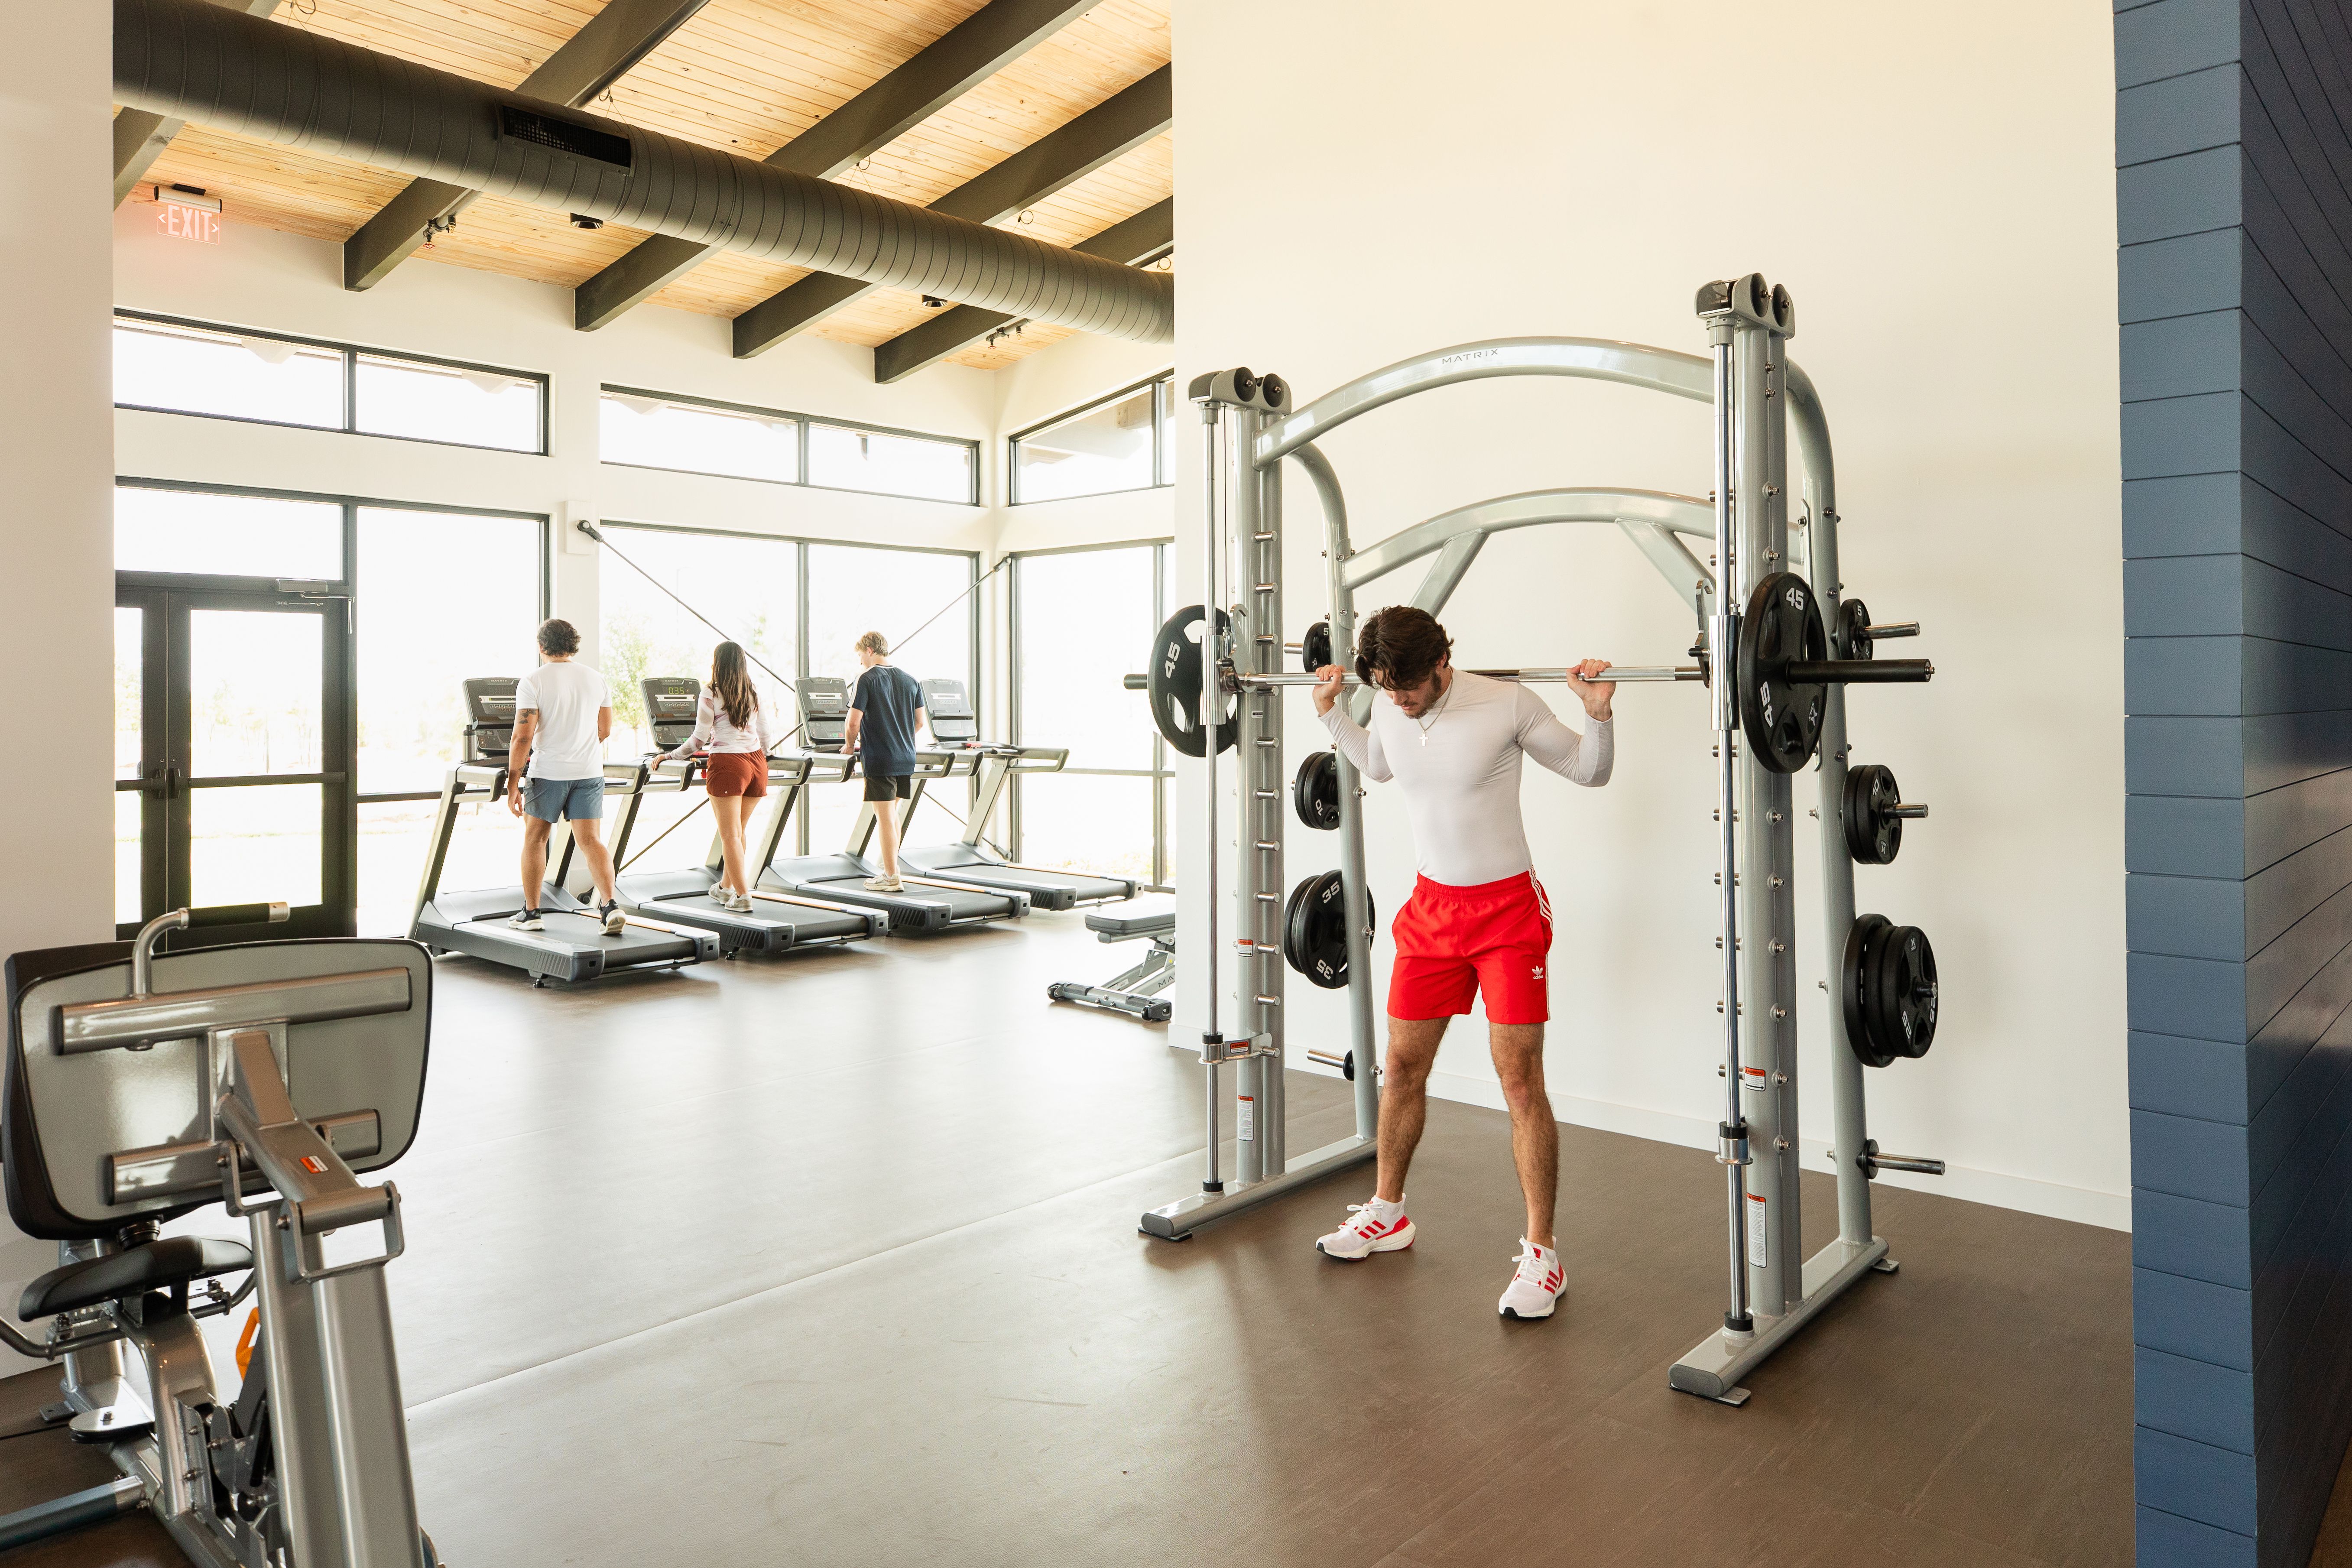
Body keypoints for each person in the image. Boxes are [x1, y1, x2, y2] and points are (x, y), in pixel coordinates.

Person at [1307, 605, 1616, 1321]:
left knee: (1518, 1079)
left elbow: (1586, 770)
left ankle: (1542, 1252)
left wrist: (1596, 715)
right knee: (1402, 1066)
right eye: (1383, 687)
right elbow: (1378, 765)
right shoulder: (1386, 704)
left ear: (1440, 661)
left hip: (1506, 913)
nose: (1396, 699)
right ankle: (1387, 1210)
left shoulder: (1505, 702)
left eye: (1406, 686)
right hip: (1430, 912)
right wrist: (1331, 716)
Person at [505, 618, 626, 935]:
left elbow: (522, 737)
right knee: (591, 841)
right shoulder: (596, 679)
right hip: (588, 772)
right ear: (573, 645)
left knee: (536, 839)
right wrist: (578, 747)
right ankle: (610, 905)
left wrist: (513, 781)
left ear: (542, 646)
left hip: (549, 774)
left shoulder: (532, 681)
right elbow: (605, 729)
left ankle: (531, 913)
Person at [652, 642, 773, 911]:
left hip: (729, 764)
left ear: (717, 663)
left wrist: (670, 756)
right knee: (738, 832)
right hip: (756, 764)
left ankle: (743, 897)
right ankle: (726, 888)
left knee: (729, 835)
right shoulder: (752, 691)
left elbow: (699, 740)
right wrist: (767, 755)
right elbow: (765, 732)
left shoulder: (711, 693)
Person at [840, 631, 927, 893]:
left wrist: (848, 746)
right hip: (906, 757)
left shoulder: (866, 679)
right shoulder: (911, 680)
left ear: (869, 650)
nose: (860, 663)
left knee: (885, 817)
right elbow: (920, 722)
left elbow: (854, 721)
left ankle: (891, 875)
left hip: (881, 758)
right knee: (892, 816)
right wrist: (900, 736)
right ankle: (892, 871)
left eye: (860, 656)